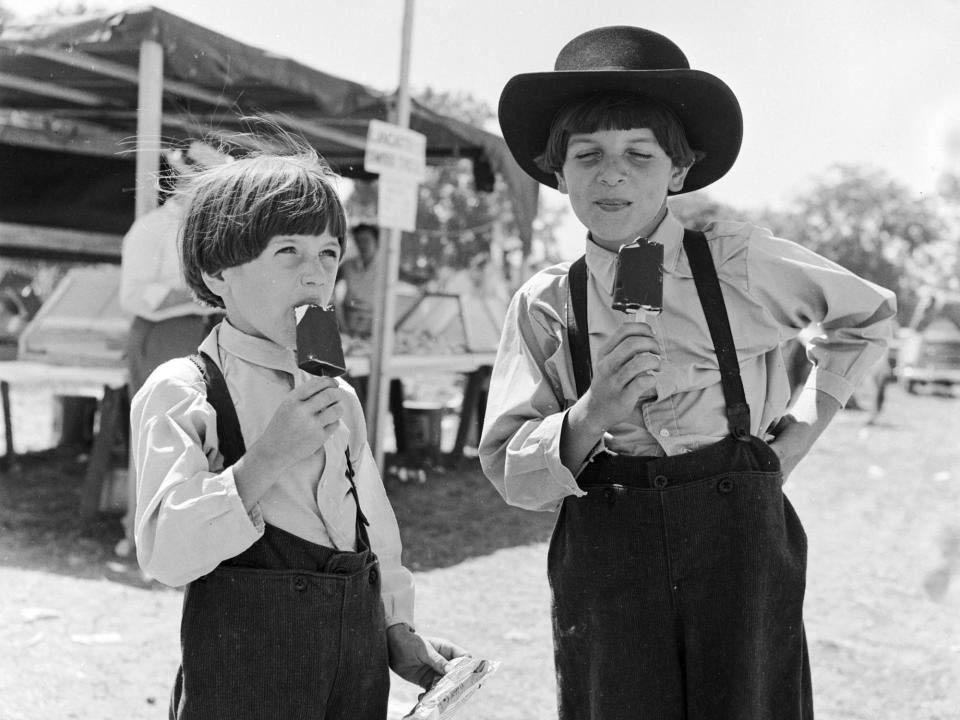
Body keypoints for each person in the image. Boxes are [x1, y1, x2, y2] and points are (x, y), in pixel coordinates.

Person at [478, 26, 897, 720]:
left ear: (678, 171)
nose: (613, 174)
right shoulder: (547, 303)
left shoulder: (736, 259)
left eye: (639, 154)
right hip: (609, 549)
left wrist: (795, 441)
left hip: (738, 535)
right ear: (558, 175)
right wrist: (592, 412)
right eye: (589, 156)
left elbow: (868, 317)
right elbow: (509, 472)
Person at [130, 143, 465, 719]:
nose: (315, 273)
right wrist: (267, 456)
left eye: (329, 253)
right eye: (288, 251)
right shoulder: (185, 390)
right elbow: (166, 553)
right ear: (218, 272)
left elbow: (374, 531)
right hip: (244, 674)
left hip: (354, 672)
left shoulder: (343, 398)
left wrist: (394, 628)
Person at [117, 145, 222, 555]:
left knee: (192, 443)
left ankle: (180, 541)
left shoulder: (209, 230)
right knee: (155, 437)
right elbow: (137, 296)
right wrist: (202, 294)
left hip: (196, 334)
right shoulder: (152, 228)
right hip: (160, 335)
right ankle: (139, 535)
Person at [337, 222, 382, 337]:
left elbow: (413, 280)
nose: (362, 245)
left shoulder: (386, 267)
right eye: (359, 241)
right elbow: (328, 286)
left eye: (366, 240)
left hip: (375, 326)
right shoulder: (347, 265)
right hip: (348, 324)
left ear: (376, 241)